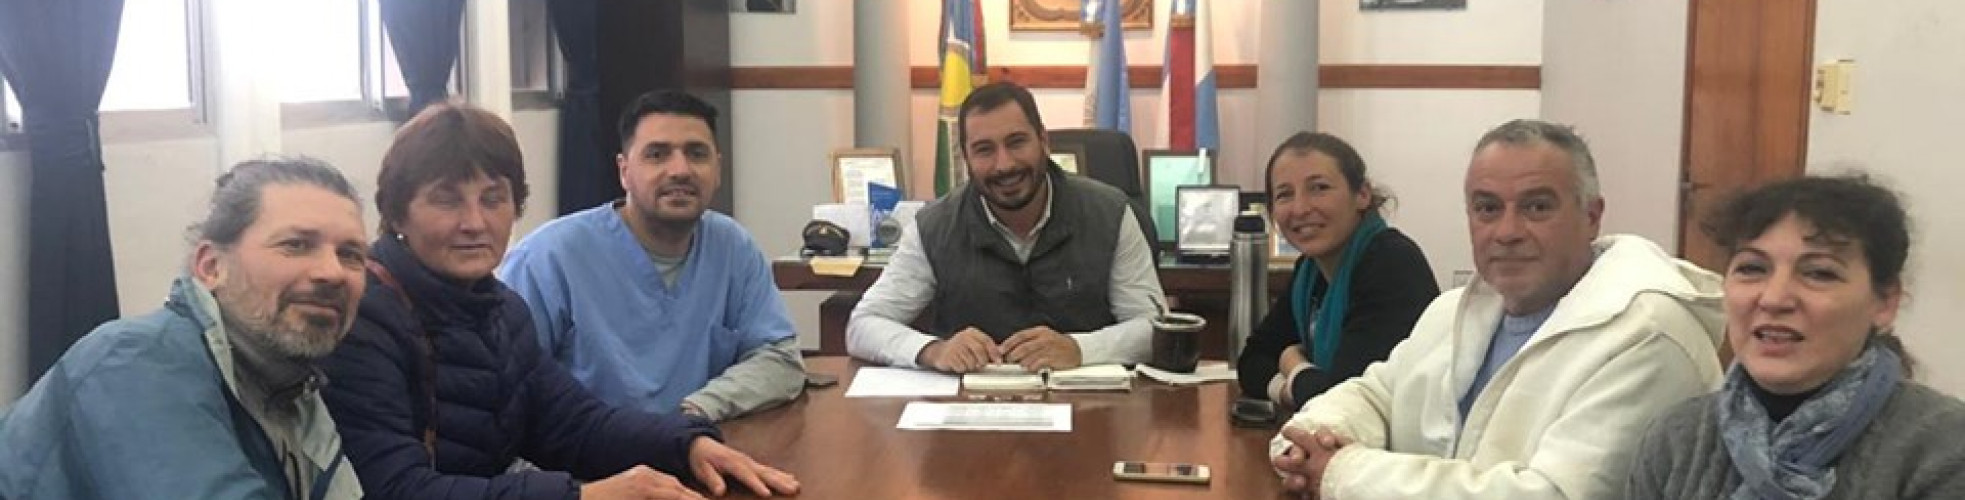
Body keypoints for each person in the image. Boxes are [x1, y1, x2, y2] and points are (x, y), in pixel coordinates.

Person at [320, 103, 798, 500]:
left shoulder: (500, 309)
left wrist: (685, 445)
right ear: (397, 212)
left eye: (493, 199)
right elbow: (395, 489)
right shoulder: (363, 316)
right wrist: (582, 497)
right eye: (447, 200)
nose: (475, 222)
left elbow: (575, 425)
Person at [1269, 119, 1726, 499]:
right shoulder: (1453, 312)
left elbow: (1551, 494)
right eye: (1487, 208)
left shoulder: (1649, 335)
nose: (1507, 231)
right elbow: (1374, 395)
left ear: (1591, 215)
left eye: (1537, 207)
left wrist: (1343, 472)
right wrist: (1309, 441)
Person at [0, 158, 367, 499]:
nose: (332, 272)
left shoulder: (292, 392)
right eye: (296, 245)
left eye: (350, 255)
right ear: (211, 268)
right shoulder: (133, 362)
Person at [1623, 174, 1965, 499]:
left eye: (1819, 273)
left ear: (1885, 302)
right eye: (1752, 269)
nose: (1774, 298)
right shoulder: (1677, 439)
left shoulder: (1944, 447)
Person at [499, 90, 803, 422]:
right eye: (657, 155)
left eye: (696, 154)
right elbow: (511, 390)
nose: (680, 170)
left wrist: (696, 410)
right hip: (591, 452)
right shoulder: (547, 258)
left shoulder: (732, 247)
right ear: (624, 171)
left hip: (701, 440)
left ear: (718, 169)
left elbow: (780, 360)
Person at [846, 81, 1166, 373]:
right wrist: (934, 350)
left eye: (1016, 142)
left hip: (1086, 405)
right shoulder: (935, 226)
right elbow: (863, 325)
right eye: (984, 150)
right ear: (966, 159)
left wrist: (1079, 349)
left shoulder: (1110, 213)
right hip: (971, 408)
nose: (1004, 164)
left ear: (1044, 141)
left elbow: (1155, 328)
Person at [1236, 132, 1439, 411]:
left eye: (1319, 188)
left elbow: (1344, 399)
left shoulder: (1391, 263)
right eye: (1284, 194)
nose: (1300, 208)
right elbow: (1252, 361)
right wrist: (1286, 390)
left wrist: (1291, 362)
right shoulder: (1310, 271)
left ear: (1362, 195)